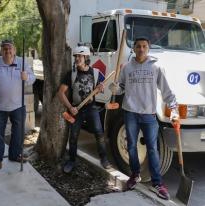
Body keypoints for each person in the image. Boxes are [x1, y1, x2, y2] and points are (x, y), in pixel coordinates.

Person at [109, 37, 179, 200]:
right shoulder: (126, 68)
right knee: (131, 146)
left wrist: (174, 109)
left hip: (148, 114)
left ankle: (157, 183)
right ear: (133, 49)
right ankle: (135, 174)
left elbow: (167, 90)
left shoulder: (156, 67)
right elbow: (121, 89)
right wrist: (115, 88)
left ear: (148, 49)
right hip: (130, 113)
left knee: (153, 149)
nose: (141, 49)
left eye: (144, 46)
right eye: (138, 46)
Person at [57, 45, 111, 173]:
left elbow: (97, 90)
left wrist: (99, 89)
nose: (77, 59)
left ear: (86, 57)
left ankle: (104, 159)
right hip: (76, 109)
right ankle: (72, 160)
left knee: (99, 132)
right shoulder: (71, 74)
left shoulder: (96, 73)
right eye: (76, 56)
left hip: (91, 108)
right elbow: (60, 93)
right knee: (74, 136)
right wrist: (70, 107)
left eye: (80, 56)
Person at [0, 39, 36, 170]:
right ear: (1, 51)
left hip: (18, 106)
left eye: (10, 48)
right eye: (5, 49)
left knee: (18, 133)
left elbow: (32, 78)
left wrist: (27, 78)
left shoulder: (22, 62)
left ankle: (14, 155)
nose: (7, 51)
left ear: (14, 50)